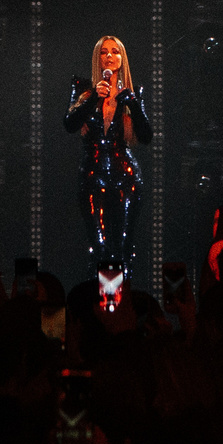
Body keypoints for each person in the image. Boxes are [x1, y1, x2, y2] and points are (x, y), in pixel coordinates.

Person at [62, 34, 151, 275]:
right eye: (104, 52)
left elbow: (146, 136)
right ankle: (100, 295)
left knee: (123, 246)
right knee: (99, 245)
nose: (109, 56)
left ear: (122, 59)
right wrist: (93, 98)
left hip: (125, 175)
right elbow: (69, 124)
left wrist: (132, 103)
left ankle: (123, 295)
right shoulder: (84, 89)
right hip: (93, 174)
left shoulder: (132, 92)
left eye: (114, 51)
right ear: (97, 58)